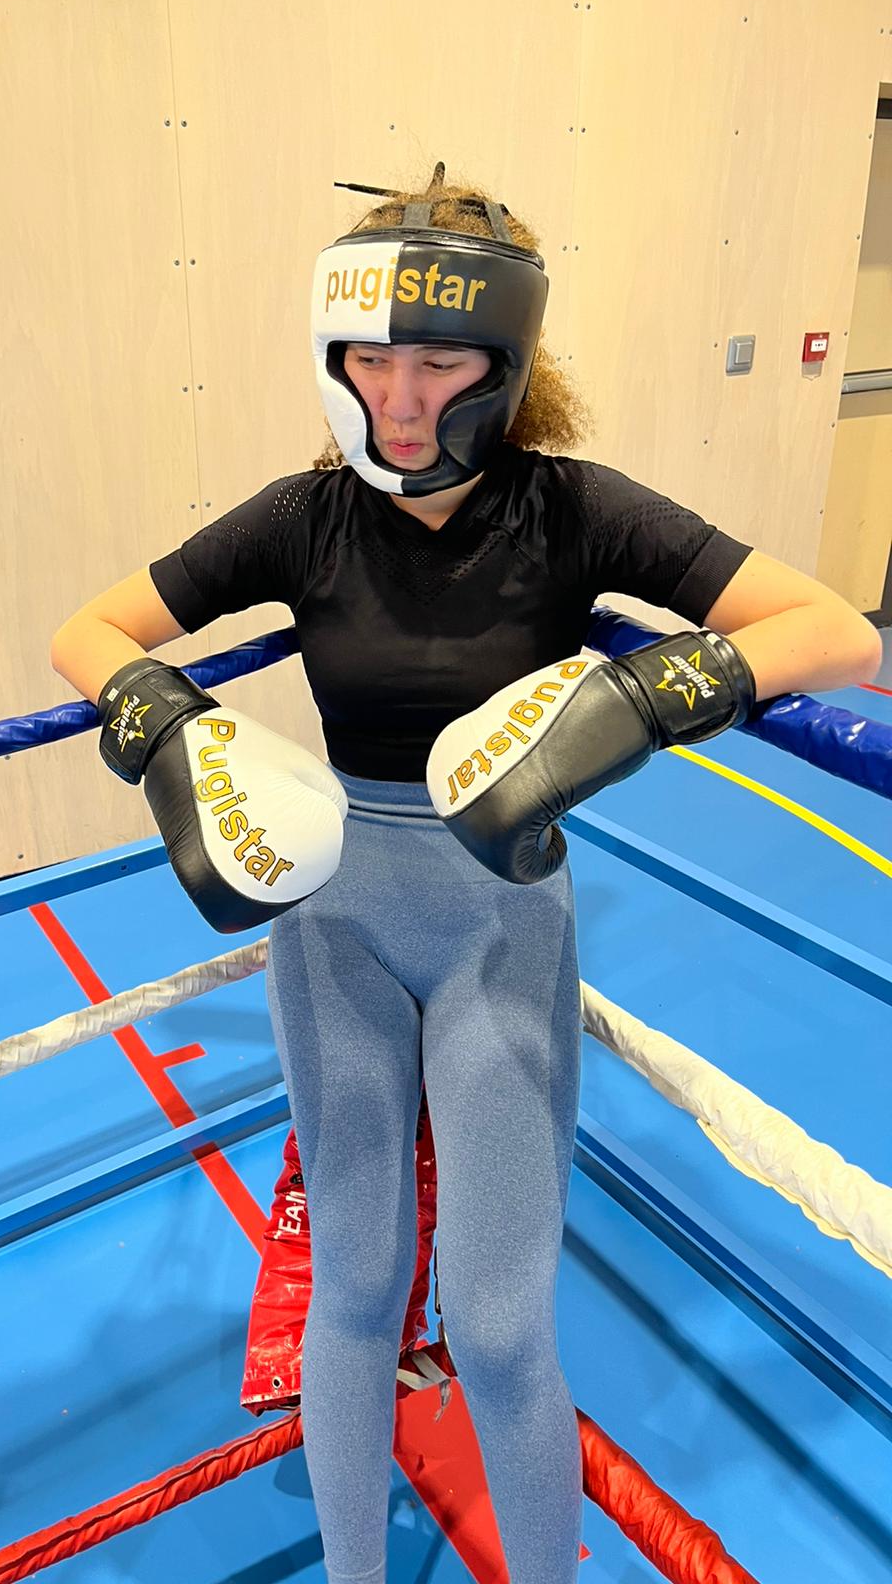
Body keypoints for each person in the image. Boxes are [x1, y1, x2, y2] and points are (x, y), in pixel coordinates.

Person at [51, 165, 882, 1584]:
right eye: (369, 361)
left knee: (499, 1325)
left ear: (507, 366)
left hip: (501, 920)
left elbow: (836, 632)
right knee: (356, 1291)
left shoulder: (575, 513)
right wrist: (166, 724)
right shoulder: (303, 520)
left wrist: (661, 691)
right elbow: (90, 630)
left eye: (438, 362)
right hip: (335, 924)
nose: (399, 398)